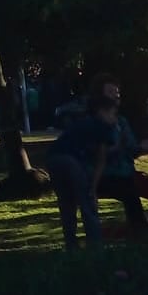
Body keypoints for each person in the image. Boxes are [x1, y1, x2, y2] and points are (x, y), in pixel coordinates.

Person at [93, 79, 148, 236]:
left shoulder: (122, 121)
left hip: (127, 173)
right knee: (130, 192)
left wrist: (145, 146)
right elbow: (95, 154)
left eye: (117, 94)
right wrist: (117, 148)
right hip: (104, 176)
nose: (115, 97)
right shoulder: (92, 123)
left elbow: (132, 149)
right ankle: (141, 233)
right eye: (110, 93)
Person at [45, 95, 119, 250]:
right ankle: (95, 245)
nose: (114, 118)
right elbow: (101, 160)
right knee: (87, 202)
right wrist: (93, 187)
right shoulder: (103, 127)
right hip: (71, 161)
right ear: (101, 112)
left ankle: (71, 245)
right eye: (112, 114)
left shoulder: (83, 123)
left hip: (53, 158)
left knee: (66, 204)